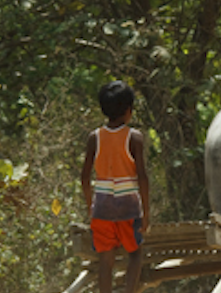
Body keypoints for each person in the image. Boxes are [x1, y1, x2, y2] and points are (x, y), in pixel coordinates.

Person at [78, 80, 150, 293]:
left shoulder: (95, 137)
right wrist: (146, 212)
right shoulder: (134, 137)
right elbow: (143, 178)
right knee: (136, 254)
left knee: (105, 261)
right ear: (129, 110)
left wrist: (91, 206)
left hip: (102, 208)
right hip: (128, 208)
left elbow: (84, 177)